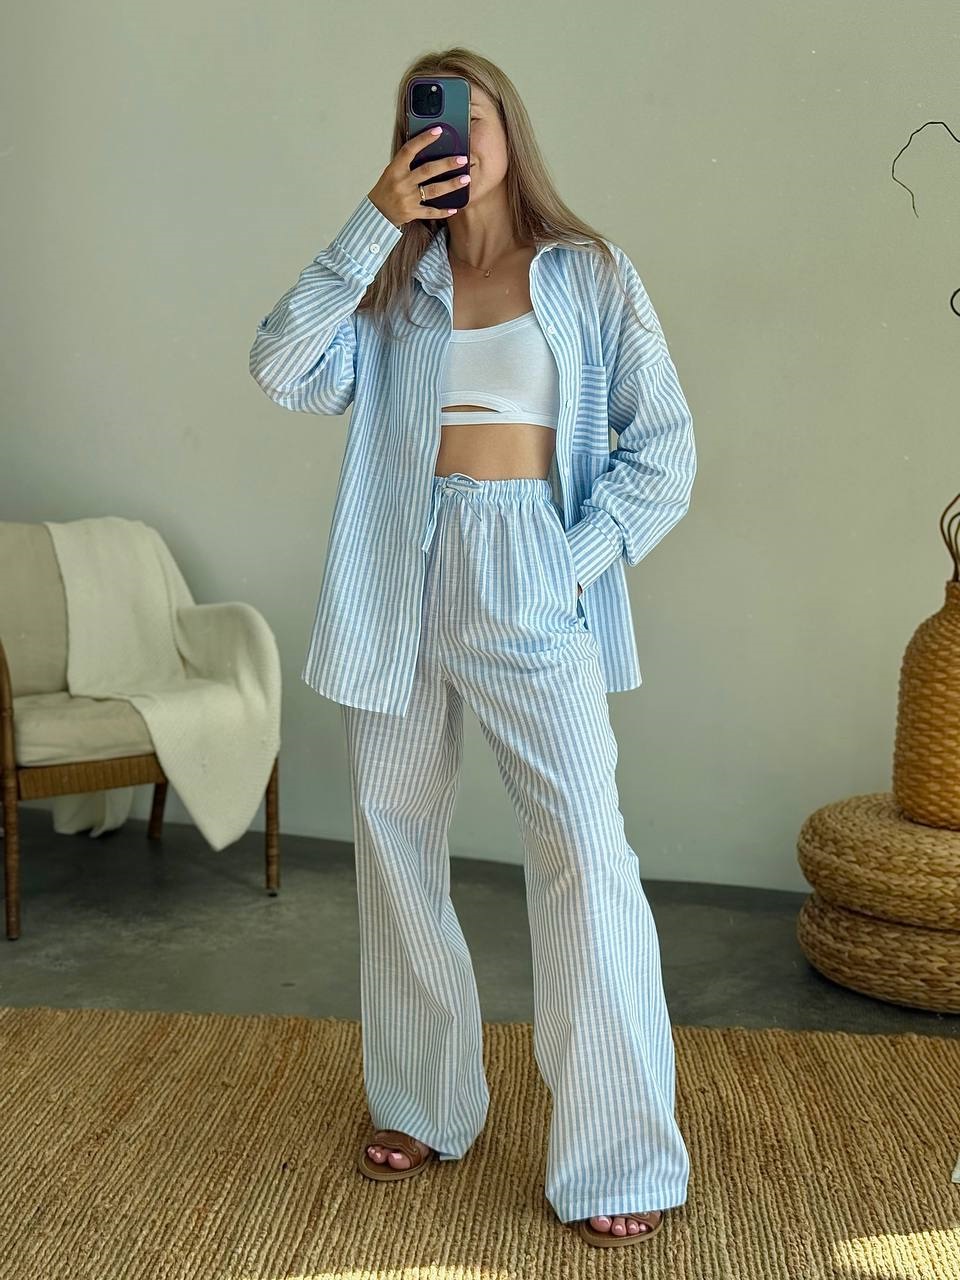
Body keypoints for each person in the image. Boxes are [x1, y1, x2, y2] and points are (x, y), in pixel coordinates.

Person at [250, 49, 697, 1250]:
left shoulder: (588, 273)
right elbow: (280, 367)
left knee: (585, 855)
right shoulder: (391, 286)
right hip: (394, 574)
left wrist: (568, 559)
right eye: (423, 115)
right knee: (395, 840)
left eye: (467, 110)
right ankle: (423, 1100)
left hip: (526, 572)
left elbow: (665, 450)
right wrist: (371, 221)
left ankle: (618, 1148)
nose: (447, 131)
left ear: (508, 127)